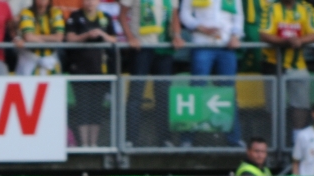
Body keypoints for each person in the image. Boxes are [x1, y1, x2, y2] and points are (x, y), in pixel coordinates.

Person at [180, 0, 245, 147]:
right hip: (202, 43)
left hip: (226, 45)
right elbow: (184, 14)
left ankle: (234, 139)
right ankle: (187, 139)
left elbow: (238, 17)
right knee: (196, 90)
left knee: (228, 91)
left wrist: (235, 36)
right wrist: (200, 27)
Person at [119, 0, 183, 147]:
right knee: (136, 94)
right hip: (141, 48)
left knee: (163, 94)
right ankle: (130, 139)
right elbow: (122, 16)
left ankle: (164, 139)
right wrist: (130, 38)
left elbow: (174, 16)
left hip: (164, 47)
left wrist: (177, 36)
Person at [259, 0, 314, 136]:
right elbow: (264, 34)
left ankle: (297, 138)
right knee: (274, 107)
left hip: (298, 64)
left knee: (301, 105)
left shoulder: (307, 8)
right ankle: (276, 141)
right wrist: (285, 42)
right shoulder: (271, 8)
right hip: (273, 64)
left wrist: (300, 41)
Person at [65, 0, 117, 147]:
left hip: (100, 69)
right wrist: (86, 36)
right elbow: (69, 38)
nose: (89, 3)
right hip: (79, 69)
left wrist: (101, 34)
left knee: (96, 108)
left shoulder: (105, 17)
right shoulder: (75, 16)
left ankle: (93, 143)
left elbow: (114, 39)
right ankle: (84, 144)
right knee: (82, 107)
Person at [17, 0, 65, 74]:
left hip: (51, 59)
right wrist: (49, 40)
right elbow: (28, 37)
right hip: (30, 59)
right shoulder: (26, 12)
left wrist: (36, 38)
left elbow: (59, 37)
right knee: (28, 84)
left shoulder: (56, 12)